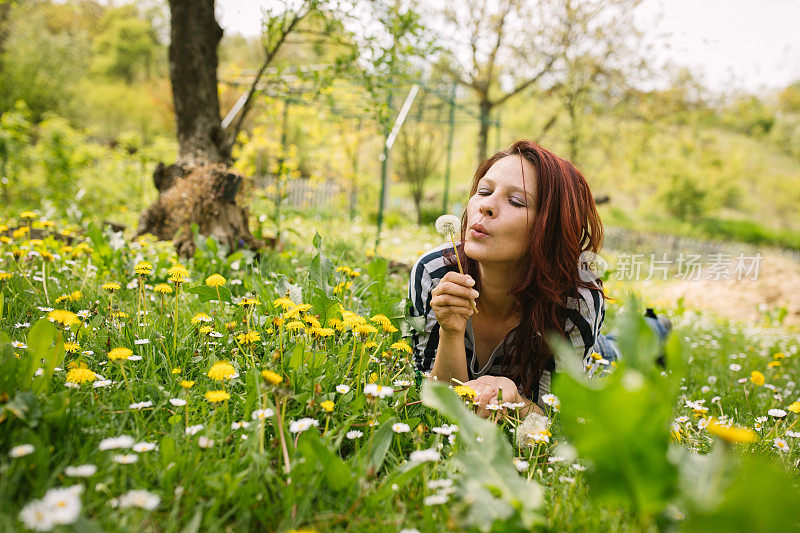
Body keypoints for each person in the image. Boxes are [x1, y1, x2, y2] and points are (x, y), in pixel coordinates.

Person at [407, 140, 670, 418]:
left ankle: (657, 327)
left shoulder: (576, 299)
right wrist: (451, 332)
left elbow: (553, 415)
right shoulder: (434, 272)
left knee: (620, 350)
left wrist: (515, 401)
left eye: (516, 201)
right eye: (484, 191)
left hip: (591, 358)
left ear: (550, 227)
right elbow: (438, 398)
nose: (486, 206)